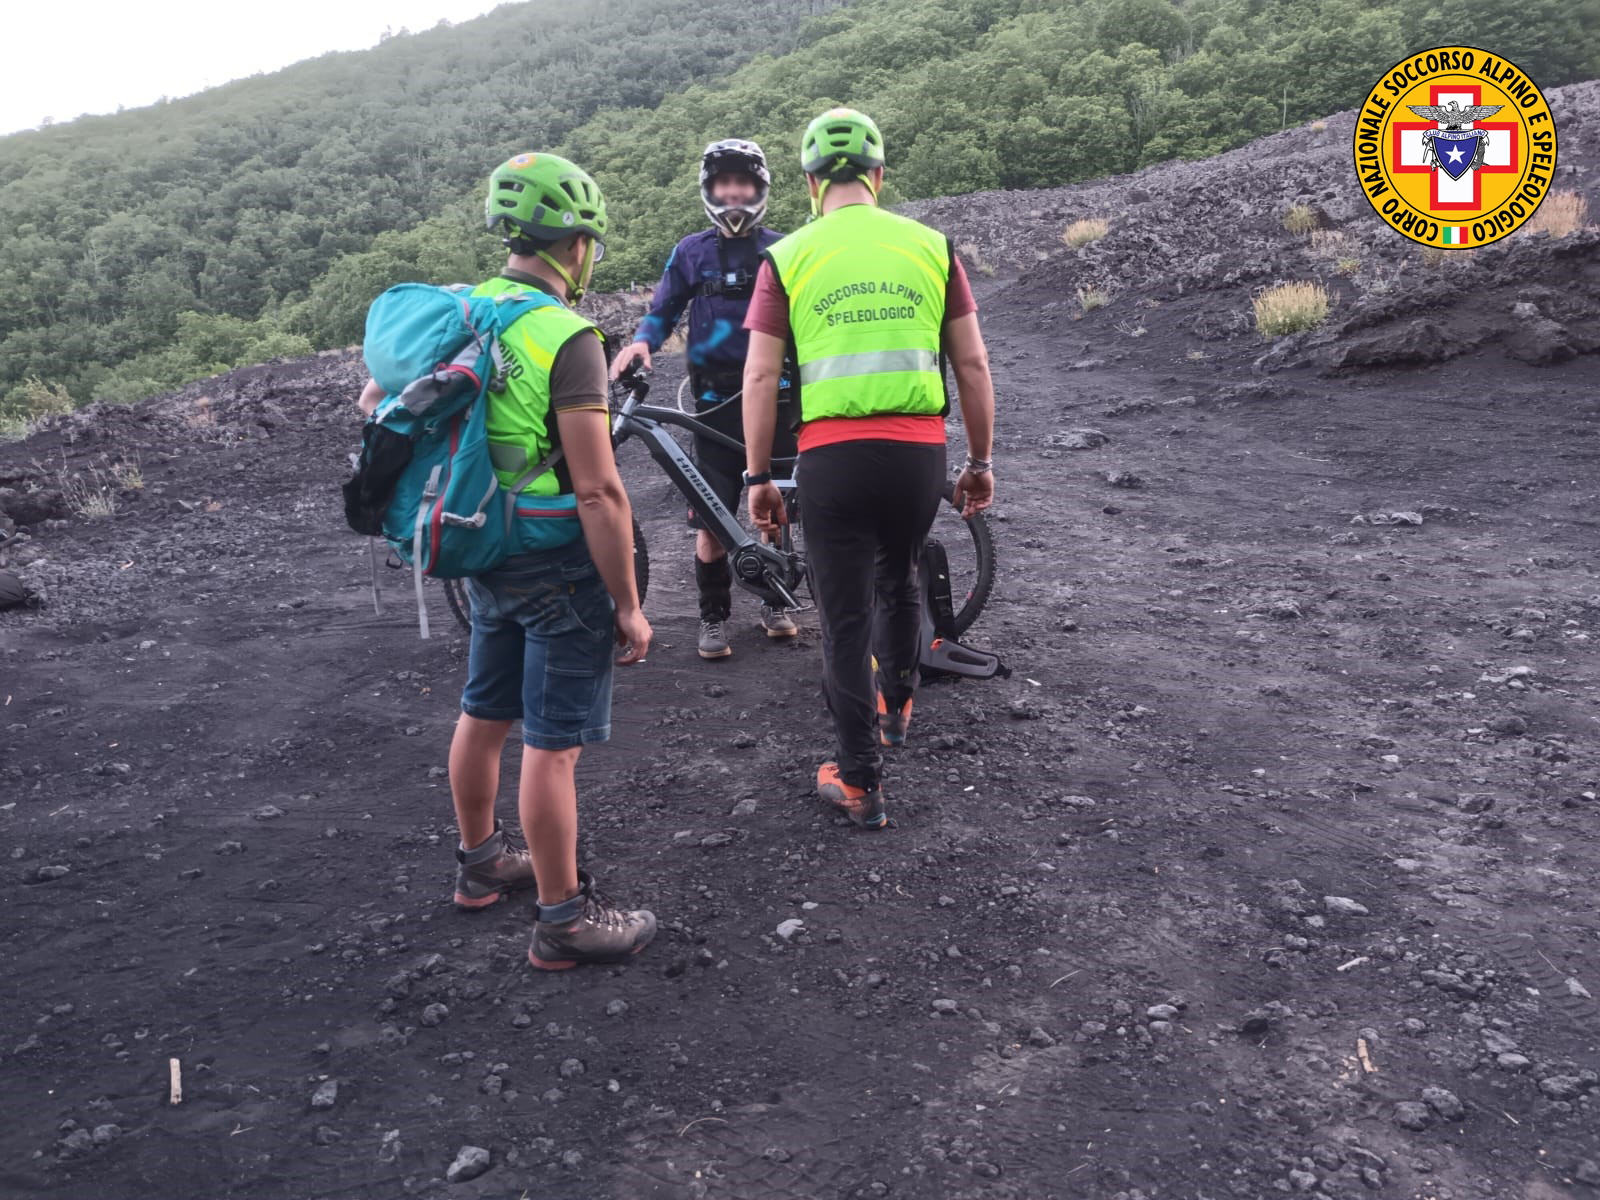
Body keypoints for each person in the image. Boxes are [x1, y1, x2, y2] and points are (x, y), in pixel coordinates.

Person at [359, 152, 657, 968]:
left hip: (478, 541)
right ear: (576, 245)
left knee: (485, 713)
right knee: (553, 746)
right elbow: (598, 490)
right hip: (554, 558)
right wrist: (628, 603)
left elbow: (372, 399)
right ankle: (565, 922)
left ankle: (481, 862)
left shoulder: (466, 310)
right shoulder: (567, 337)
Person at [740, 108, 996, 830]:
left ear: (811, 184)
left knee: (844, 618)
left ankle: (859, 781)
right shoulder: (932, 247)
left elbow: (759, 378)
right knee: (901, 576)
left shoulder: (786, 256)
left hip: (832, 458)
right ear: (879, 177)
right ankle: (898, 708)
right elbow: (972, 364)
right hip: (918, 453)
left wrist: (759, 478)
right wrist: (979, 462)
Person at [608, 139, 799, 661]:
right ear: (710, 190)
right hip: (713, 407)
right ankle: (713, 617)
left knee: (774, 513)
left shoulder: (785, 249)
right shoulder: (691, 252)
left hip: (778, 400)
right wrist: (642, 343)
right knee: (712, 522)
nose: (734, 193)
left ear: (759, 189)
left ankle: (775, 604)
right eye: (724, 183)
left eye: (743, 183)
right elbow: (662, 310)